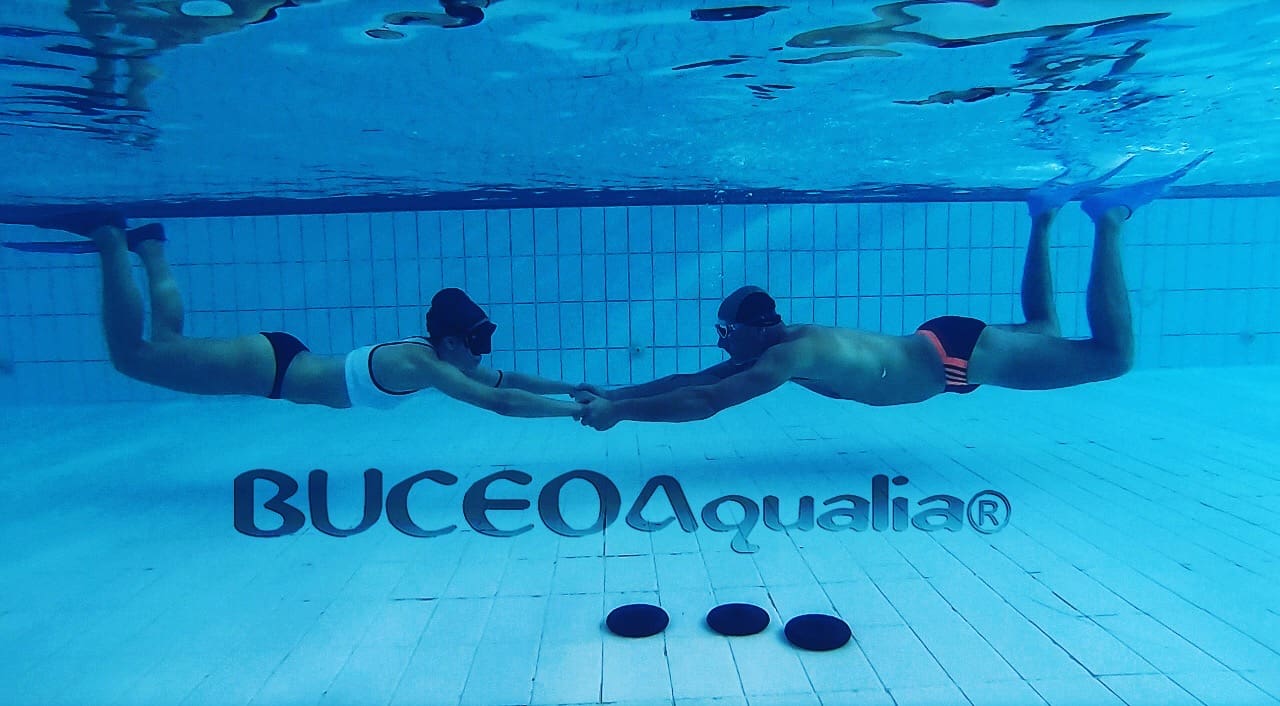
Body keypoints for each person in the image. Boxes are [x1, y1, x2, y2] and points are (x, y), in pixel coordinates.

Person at [577, 153, 1211, 431]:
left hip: (957, 358)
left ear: (753, 328)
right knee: (1044, 330)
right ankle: (1044, 215)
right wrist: (613, 393)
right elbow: (692, 379)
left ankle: (1109, 220)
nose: (720, 343)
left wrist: (621, 415)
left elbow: (706, 400)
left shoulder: (788, 355)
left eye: (724, 332)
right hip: (946, 348)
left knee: (1112, 358)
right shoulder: (778, 346)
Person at [7, 211, 582, 417]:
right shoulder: (424, 364)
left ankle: (151, 246)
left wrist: (580, 388)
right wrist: (576, 414)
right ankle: (111, 239)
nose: (482, 355)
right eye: (476, 343)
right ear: (451, 341)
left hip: (280, 360)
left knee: (165, 339)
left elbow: (509, 380)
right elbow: (500, 402)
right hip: (269, 370)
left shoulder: (439, 354)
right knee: (133, 357)